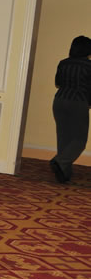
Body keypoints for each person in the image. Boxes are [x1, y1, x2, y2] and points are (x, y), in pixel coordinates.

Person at [49, 35, 91, 183]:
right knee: (79, 139)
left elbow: (58, 82)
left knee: (64, 137)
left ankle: (64, 173)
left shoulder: (63, 63)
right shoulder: (89, 66)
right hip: (78, 103)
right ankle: (60, 161)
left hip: (59, 100)